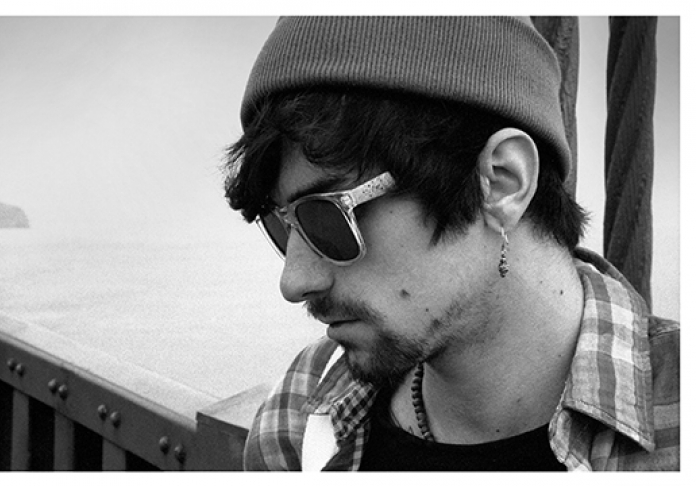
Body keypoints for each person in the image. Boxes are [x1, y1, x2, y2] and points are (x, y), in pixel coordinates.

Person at [222, 16, 679, 471]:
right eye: (281, 225)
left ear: (501, 183)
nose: (294, 281)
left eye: (327, 217)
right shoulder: (300, 415)